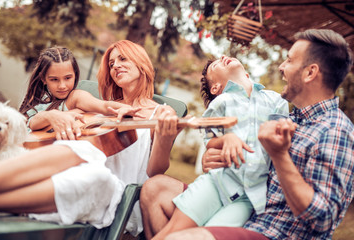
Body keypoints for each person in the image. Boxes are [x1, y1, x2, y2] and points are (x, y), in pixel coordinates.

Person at [141, 28, 354, 240]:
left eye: (289, 61)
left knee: (183, 237)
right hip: (241, 198)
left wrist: (279, 156)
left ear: (310, 72)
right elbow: (224, 140)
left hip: (273, 230)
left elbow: (323, 219)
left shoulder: (335, 129)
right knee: (154, 189)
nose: (281, 67)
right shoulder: (292, 118)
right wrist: (214, 151)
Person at [0, 40, 180, 236]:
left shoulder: (161, 112)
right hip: (80, 174)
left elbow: (155, 171)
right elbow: (34, 120)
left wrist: (164, 139)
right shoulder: (102, 107)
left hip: (115, 188)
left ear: (141, 63)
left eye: (122, 58)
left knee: (93, 169)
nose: (115, 65)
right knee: (82, 157)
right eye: (111, 63)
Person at [141, 55, 288, 240]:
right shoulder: (221, 102)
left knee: (207, 236)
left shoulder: (275, 101)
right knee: (173, 232)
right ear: (216, 87)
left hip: (249, 197)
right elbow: (210, 139)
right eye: (217, 64)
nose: (224, 57)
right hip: (216, 183)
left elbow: (281, 137)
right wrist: (227, 139)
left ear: (247, 74)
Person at [19, 46, 142, 140]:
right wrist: (51, 115)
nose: (62, 85)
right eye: (54, 79)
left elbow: (103, 106)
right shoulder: (39, 102)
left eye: (68, 78)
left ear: (75, 75)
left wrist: (124, 108)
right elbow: (33, 123)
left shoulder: (75, 97)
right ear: (43, 79)